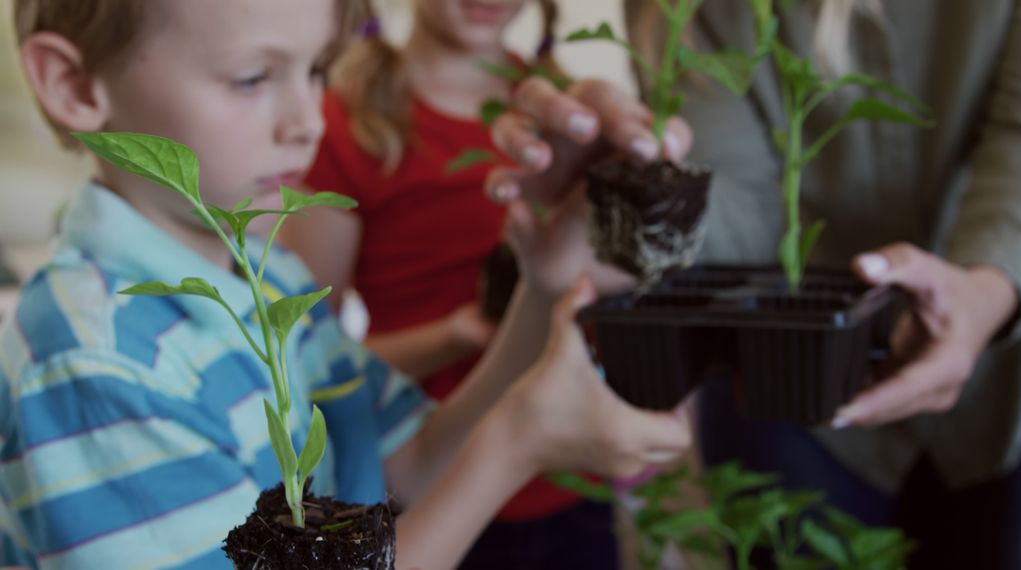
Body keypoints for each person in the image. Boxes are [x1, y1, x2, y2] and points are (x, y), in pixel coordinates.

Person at [0, 1, 693, 568]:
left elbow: (410, 462)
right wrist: (517, 442)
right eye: (251, 78)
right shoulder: (96, 365)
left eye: (317, 71)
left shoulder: (271, 279)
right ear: (75, 87)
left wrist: (541, 291)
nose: (307, 121)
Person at [488, 0, 1021, 567]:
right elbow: (743, 200)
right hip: (788, 373)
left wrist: (990, 286)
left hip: (1003, 368)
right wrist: (632, 212)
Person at [283, 1, 615, 565]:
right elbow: (307, 363)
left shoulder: (566, 118)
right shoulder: (346, 124)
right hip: (431, 487)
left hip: (567, 478)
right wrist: (453, 335)